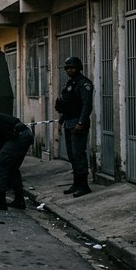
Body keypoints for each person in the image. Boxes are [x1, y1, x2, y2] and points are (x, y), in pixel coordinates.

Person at [55, 56, 94, 198]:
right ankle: (76, 183)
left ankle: (84, 186)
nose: (69, 70)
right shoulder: (70, 84)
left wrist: (81, 122)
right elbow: (67, 105)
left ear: (78, 68)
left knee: (78, 154)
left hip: (78, 122)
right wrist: (60, 121)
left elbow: (87, 105)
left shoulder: (84, 83)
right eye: (67, 68)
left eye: (72, 68)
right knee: (71, 155)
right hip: (69, 121)